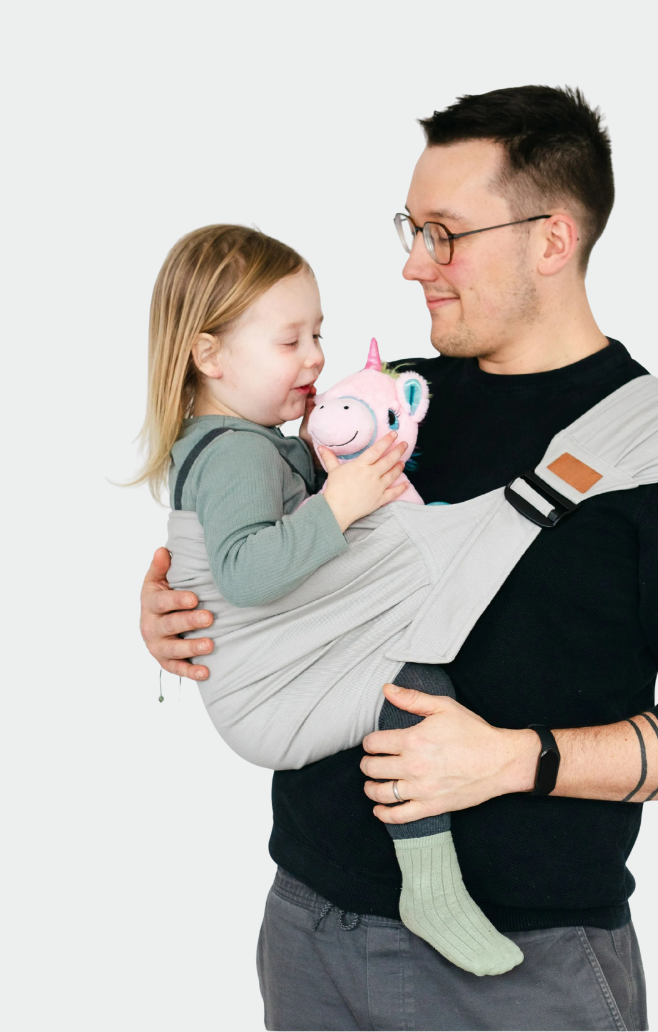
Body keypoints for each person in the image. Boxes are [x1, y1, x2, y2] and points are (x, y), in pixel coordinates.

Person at [140, 85, 658, 1031]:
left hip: (527, 971)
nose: (413, 264)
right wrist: (182, 611)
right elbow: (258, 542)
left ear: (552, 241)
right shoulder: (381, 405)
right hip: (308, 929)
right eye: (413, 229)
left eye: (444, 234)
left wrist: (517, 760)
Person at [137, 223, 523, 976]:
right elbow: (246, 576)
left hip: (271, 695)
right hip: (267, 697)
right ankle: (432, 887)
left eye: (318, 334)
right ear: (209, 356)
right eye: (290, 341)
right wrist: (340, 504)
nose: (315, 358)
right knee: (416, 691)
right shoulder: (238, 452)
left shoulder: (249, 440)